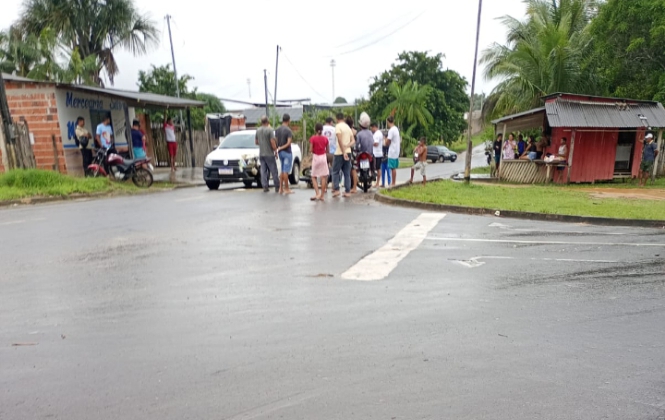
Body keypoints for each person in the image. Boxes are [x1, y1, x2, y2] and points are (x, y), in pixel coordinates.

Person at [255, 116, 279, 193]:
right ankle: (277, 186)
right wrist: (275, 150)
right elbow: (272, 142)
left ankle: (265, 186)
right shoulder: (270, 130)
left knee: (263, 170)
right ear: (267, 122)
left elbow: (256, 142)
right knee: (273, 170)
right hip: (269, 154)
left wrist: (262, 143)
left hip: (261, 153)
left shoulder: (258, 130)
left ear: (261, 122)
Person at [332, 113, 354, 198]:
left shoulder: (338, 127)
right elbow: (353, 141)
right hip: (348, 151)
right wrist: (347, 146)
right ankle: (347, 191)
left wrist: (343, 151)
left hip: (339, 152)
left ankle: (337, 189)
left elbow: (339, 140)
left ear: (337, 118)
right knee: (346, 172)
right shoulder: (348, 127)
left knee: (335, 171)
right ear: (343, 118)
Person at [275, 113, 295, 195]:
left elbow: (276, 141)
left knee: (282, 169)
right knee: (285, 171)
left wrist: (277, 149)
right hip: (286, 152)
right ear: (289, 120)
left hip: (280, 153)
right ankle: (286, 188)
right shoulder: (288, 130)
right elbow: (289, 142)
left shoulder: (277, 129)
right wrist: (282, 147)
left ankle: (281, 188)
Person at [309, 123, 329, 201]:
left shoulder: (313, 138)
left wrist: (314, 150)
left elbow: (310, 150)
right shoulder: (325, 139)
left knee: (313, 176)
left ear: (315, 129)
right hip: (323, 157)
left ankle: (317, 193)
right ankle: (322, 195)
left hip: (316, 157)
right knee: (323, 177)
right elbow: (328, 150)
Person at [386, 116, 401, 187]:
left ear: (388, 122)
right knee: (393, 167)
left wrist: (385, 142)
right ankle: (393, 182)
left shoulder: (391, 130)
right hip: (396, 150)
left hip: (392, 151)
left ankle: (393, 182)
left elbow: (388, 141)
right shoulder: (396, 129)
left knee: (392, 168)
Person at [346, 116, 359, 193]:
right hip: (355, 151)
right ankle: (353, 186)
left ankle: (353, 187)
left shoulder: (347, 131)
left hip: (349, 151)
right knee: (354, 169)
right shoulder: (355, 131)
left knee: (351, 170)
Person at [370, 122, 384, 187]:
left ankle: (377, 183)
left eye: (371, 128)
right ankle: (375, 182)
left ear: (374, 127)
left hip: (377, 153)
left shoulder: (377, 134)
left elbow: (376, 143)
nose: (371, 130)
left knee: (378, 168)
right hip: (376, 153)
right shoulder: (377, 133)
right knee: (374, 168)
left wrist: (369, 143)